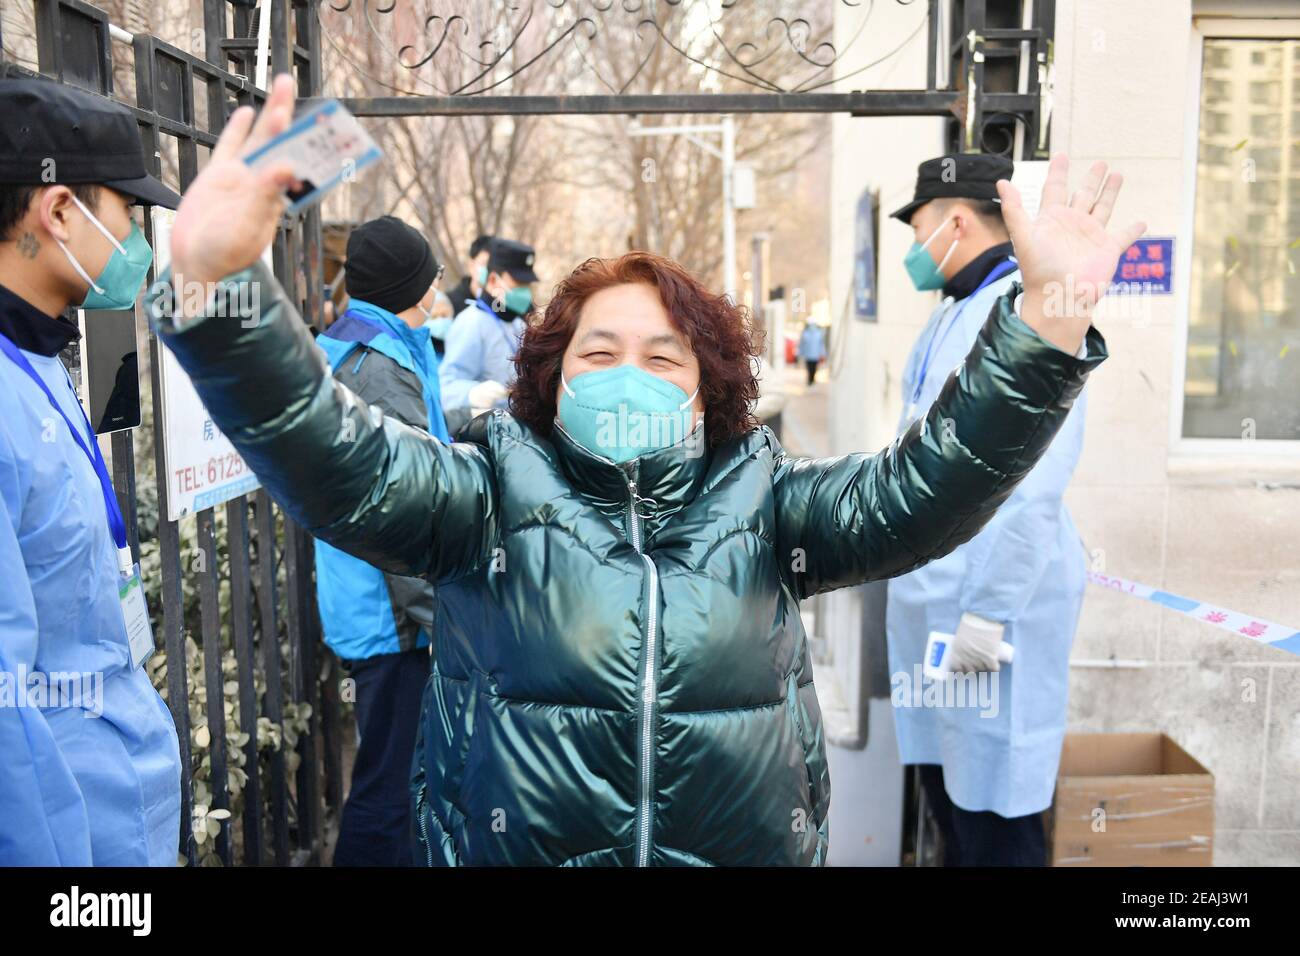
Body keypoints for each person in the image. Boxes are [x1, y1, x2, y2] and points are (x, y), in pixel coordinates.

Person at [147, 74, 1143, 867]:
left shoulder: (769, 502)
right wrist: (213, 288)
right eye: (597, 350)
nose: (629, 371)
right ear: (549, 374)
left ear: (709, 386)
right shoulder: (480, 501)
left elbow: (934, 481)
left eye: (663, 355)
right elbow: (326, 453)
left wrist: (1048, 321)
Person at [886, 153, 1098, 866]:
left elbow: (1032, 484)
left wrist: (988, 613)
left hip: (989, 613)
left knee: (996, 812)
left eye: (918, 231)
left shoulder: (1026, 313)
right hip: (942, 603)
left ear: (953, 220)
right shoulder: (954, 312)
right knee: (953, 799)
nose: (915, 251)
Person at [0, 76, 181, 865]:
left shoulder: (38, 354)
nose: (137, 242)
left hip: (114, 805)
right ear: (61, 211)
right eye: (127, 214)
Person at [314, 215, 451, 865]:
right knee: (390, 783)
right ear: (408, 287)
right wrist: (438, 615)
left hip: (376, 600)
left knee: (393, 769)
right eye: (430, 278)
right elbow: (401, 505)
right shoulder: (378, 366)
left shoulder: (366, 343)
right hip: (391, 612)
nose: (438, 291)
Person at [438, 236, 538, 435]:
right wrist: (473, 392)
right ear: (493, 281)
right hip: (482, 436)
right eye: (518, 283)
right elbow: (445, 388)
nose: (524, 292)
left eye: (527, 285)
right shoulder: (471, 323)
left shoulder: (518, 323)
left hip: (517, 431)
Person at [442, 233, 492, 315]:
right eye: (485, 264)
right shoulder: (448, 304)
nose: (490, 270)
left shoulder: (500, 306)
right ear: (471, 265)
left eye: (494, 264)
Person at [797, 320, 827, 386]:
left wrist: (823, 354)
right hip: (808, 355)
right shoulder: (805, 333)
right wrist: (800, 353)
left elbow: (821, 345)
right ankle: (810, 380)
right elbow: (802, 344)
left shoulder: (819, 333)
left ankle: (812, 380)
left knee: (814, 368)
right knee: (809, 368)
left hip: (815, 355)